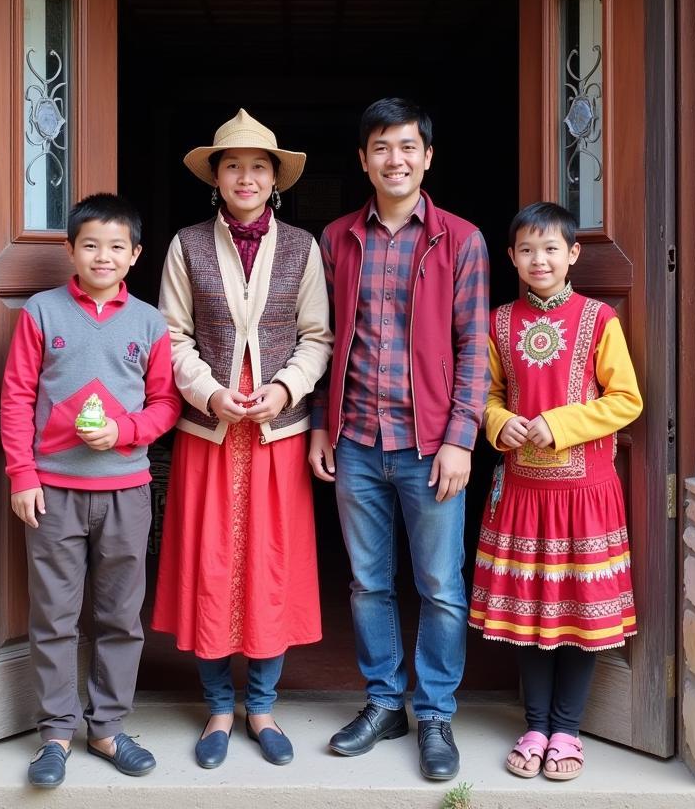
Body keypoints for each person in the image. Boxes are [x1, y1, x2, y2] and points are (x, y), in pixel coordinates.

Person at [308, 97, 490, 782]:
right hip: (355, 438)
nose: (396, 159)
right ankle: (383, 702)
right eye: (382, 147)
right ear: (363, 159)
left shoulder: (460, 239)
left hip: (430, 444)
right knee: (366, 584)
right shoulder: (335, 239)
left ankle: (434, 713)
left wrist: (460, 438)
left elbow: (473, 348)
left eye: (408, 146)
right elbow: (321, 341)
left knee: (441, 584)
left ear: (428, 156)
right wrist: (321, 424)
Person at [152, 109, 332, 770]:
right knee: (211, 563)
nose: (246, 176)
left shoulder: (302, 248)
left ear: (275, 178)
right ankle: (218, 710)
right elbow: (171, 336)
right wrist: (210, 392)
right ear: (216, 178)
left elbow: (317, 336)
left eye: (259, 166)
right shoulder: (186, 245)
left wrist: (284, 391)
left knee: (268, 567)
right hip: (210, 430)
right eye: (234, 165)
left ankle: (262, 704)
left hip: (277, 433)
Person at [0, 193, 182, 789]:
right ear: (71, 251)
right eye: (90, 245)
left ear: (134, 255)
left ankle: (106, 728)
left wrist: (125, 432)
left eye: (116, 247)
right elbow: (17, 398)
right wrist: (22, 475)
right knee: (53, 615)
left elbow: (165, 404)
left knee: (120, 616)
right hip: (52, 493)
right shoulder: (41, 313)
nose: (103, 256)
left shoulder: (150, 322)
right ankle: (55, 732)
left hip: (125, 492)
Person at [469, 201, 643, 781]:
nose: (537, 259)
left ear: (573, 255)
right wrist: (499, 424)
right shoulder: (498, 324)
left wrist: (558, 424)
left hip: (584, 496)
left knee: (576, 615)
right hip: (522, 494)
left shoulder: (599, 321)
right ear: (512, 257)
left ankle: (567, 730)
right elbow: (487, 396)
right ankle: (535, 724)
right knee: (530, 617)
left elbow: (625, 401)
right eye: (525, 249)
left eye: (550, 249)